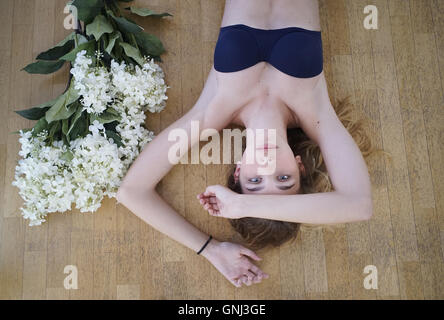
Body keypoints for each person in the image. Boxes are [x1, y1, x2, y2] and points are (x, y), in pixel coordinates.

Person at [116, 0, 374, 288]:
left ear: (238, 171)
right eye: (284, 178)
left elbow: (131, 192)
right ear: (300, 166)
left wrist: (211, 248)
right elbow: (359, 205)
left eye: (255, 180)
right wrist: (245, 202)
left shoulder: (210, 116)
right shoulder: (318, 118)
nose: (268, 165)